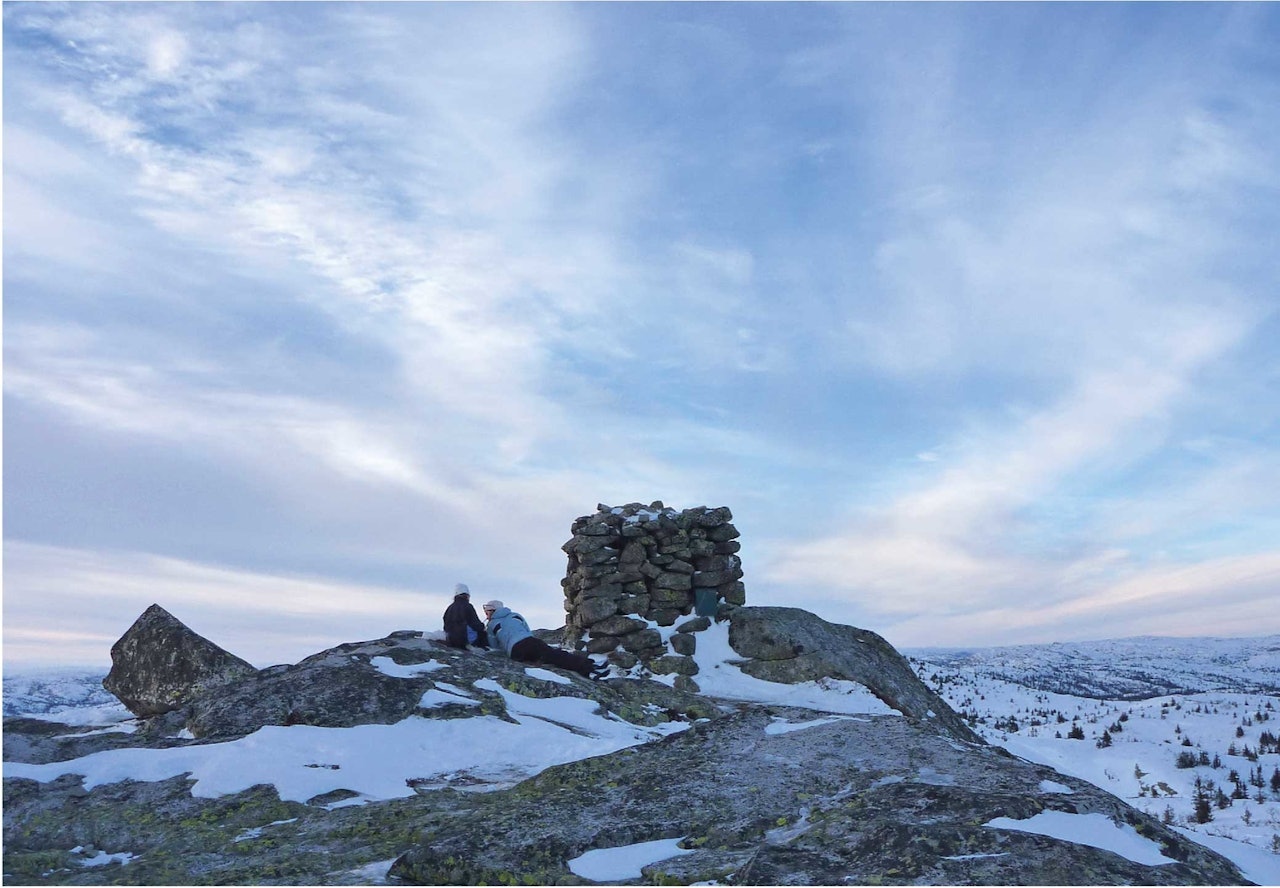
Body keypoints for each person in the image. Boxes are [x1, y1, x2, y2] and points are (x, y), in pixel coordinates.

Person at [483, 600, 609, 680]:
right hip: (529, 641)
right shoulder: (515, 616)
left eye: (487, 611)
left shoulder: (492, 625)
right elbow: (527, 630)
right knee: (555, 655)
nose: (486, 614)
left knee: (552, 657)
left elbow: (494, 645)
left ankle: (589, 669)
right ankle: (590, 667)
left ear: (493, 610)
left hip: (515, 651)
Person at [443, 584, 489, 650]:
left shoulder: (450, 608)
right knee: (482, 633)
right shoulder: (468, 606)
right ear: (467, 596)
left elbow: (446, 625)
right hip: (465, 640)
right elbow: (475, 624)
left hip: (452, 640)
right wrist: (482, 627)